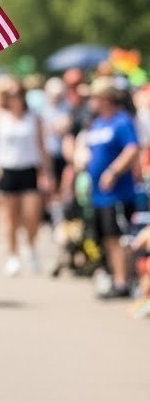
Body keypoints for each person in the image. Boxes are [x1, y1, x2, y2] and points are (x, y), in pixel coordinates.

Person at [0, 81, 50, 276]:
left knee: (32, 214)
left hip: (29, 169)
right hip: (7, 170)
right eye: (11, 95)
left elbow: (42, 146)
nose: (15, 98)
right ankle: (13, 256)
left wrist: (47, 173)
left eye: (18, 94)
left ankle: (30, 246)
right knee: (10, 217)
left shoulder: (33, 118)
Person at [82, 78, 139, 299]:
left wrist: (114, 171)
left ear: (105, 98)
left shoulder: (121, 121)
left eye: (94, 97)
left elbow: (132, 148)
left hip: (118, 193)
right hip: (98, 195)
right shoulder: (98, 123)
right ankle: (116, 276)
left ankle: (123, 281)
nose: (91, 102)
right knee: (107, 237)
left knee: (119, 237)